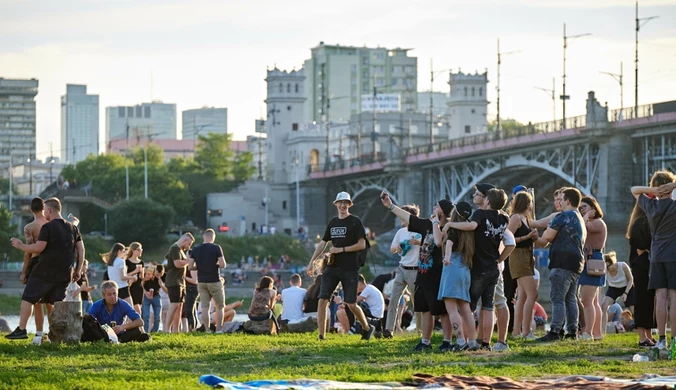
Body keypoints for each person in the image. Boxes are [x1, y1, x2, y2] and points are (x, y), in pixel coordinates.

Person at [381, 192, 453, 352]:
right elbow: (409, 217)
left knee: (442, 311)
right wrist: (390, 206)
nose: (434, 207)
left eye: (437, 206)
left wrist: (435, 223)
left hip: (438, 275)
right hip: (422, 275)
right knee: (424, 309)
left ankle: (447, 341)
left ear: (443, 212)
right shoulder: (427, 224)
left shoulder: (448, 227)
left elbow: (439, 242)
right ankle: (425, 341)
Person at [446, 185, 515, 351]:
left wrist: (451, 225)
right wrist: (499, 259)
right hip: (493, 268)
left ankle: (467, 342)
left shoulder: (480, 214)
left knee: (468, 307)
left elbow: (471, 227)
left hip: (479, 268)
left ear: (488, 201)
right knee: (488, 308)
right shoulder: (504, 218)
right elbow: (511, 245)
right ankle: (486, 343)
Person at [7, 197, 85, 341]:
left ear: (49, 210)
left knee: (28, 297)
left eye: (46, 211)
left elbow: (39, 247)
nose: (45, 214)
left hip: (45, 271)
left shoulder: (47, 227)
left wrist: (20, 245)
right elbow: (81, 250)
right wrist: (78, 270)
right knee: (55, 303)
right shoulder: (73, 228)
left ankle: (22, 329)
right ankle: (56, 334)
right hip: (65, 273)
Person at [307, 191, 374, 341]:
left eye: (346, 202)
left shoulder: (355, 221)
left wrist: (341, 249)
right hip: (332, 267)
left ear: (349, 205)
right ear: (336, 204)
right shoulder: (333, 222)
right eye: (340, 202)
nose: (342, 205)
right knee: (322, 300)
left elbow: (362, 244)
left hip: (350, 268)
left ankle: (367, 327)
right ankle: (321, 335)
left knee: (351, 303)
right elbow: (323, 243)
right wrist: (312, 261)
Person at [534, 187, 587, 342]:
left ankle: (555, 331)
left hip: (562, 262)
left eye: (561, 199)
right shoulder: (580, 218)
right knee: (571, 298)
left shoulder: (562, 217)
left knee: (557, 298)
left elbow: (546, 237)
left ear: (568, 201)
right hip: (577, 263)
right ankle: (572, 331)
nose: (559, 202)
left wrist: (534, 237)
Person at [631, 170, 676, 350]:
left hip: (656, 256)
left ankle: (662, 339)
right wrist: (672, 185)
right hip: (674, 256)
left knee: (660, 297)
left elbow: (634, 189)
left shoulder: (649, 205)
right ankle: (674, 340)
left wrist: (653, 189)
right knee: (674, 298)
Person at [438, 202, 479, 351]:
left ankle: (461, 341)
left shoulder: (453, 228)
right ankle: (473, 342)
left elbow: (448, 245)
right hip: (465, 269)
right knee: (466, 308)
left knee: (451, 308)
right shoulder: (470, 232)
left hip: (452, 268)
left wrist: (447, 258)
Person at [384, 205, 423, 339]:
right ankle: (389, 330)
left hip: (415, 271)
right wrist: (398, 248)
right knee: (393, 299)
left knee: (417, 303)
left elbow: (429, 245)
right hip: (401, 269)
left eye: (403, 215)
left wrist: (418, 242)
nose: (400, 218)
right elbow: (392, 249)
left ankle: (420, 332)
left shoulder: (421, 231)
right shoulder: (400, 232)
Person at [17, 197, 50, 344]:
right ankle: (53, 332)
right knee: (50, 301)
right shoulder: (51, 224)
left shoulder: (30, 227)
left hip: (36, 263)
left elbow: (28, 251)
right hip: (51, 264)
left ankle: (38, 334)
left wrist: (24, 271)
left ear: (31, 209)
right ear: (44, 208)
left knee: (36, 302)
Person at [507, 191, 539, 339]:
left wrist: (534, 238)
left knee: (523, 296)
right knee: (533, 294)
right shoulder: (515, 218)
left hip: (527, 257)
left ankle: (516, 331)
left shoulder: (526, 219)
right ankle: (526, 331)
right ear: (527, 203)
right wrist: (527, 236)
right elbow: (507, 238)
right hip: (518, 257)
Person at [577, 196, 608, 341]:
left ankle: (588, 333)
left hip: (593, 261)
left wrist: (586, 216)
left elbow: (582, 227)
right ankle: (597, 333)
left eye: (584, 207)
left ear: (593, 209)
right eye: (580, 207)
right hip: (588, 260)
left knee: (587, 300)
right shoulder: (592, 222)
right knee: (593, 301)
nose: (581, 209)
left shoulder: (597, 223)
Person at [625, 199, 655, 347]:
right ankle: (642, 336)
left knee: (649, 301)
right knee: (642, 300)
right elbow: (641, 247)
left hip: (645, 264)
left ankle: (648, 334)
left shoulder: (643, 222)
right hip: (641, 266)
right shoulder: (640, 224)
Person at [188, 229, 226, 333]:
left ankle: (207, 329)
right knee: (220, 306)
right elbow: (223, 264)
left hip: (201, 281)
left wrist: (200, 267)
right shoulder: (216, 248)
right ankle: (218, 330)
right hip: (214, 280)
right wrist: (215, 265)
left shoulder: (195, 249)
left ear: (204, 236)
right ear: (212, 237)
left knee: (205, 306)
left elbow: (190, 267)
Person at [164, 233, 195, 333]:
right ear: (185, 240)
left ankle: (175, 330)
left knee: (180, 307)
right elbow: (177, 264)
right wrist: (188, 261)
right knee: (174, 305)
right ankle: (166, 329)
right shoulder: (174, 248)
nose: (188, 246)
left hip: (180, 282)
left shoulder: (180, 250)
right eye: (189, 244)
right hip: (174, 281)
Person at [601, 251, 633, 336]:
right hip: (613, 288)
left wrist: (626, 293)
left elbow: (630, 279)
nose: (610, 268)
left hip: (627, 287)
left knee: (633, 307)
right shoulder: (605, 271)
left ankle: (638, 328)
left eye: (610, 265)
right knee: (604, 306)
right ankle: (602, 331)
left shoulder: (622, 266)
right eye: (607, 267)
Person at [141, 264, 165, 333]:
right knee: (146, 316)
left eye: (161, 274)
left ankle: (155, 332)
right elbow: (141, 285)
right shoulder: (148, 274)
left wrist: (160, 280)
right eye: (158, 273)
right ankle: (145, 332)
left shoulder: (160, 277)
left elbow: (166, 290)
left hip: (156, 296)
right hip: (146, 296)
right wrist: (146, 293)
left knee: (157, 317)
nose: (159, 275)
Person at [124, 242, 145, 315]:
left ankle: (136, 326)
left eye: (141, 249)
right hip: (131, 287)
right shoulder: (127, 262)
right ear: (133, 250)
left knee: (139, 310)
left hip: (139, 288)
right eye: (138, 250)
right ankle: (139, 326)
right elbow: (124, 275)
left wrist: (142, 273)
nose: (140, 251)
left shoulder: (141, 262)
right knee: (137, 310)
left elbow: (142, 278)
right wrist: (135, 271)